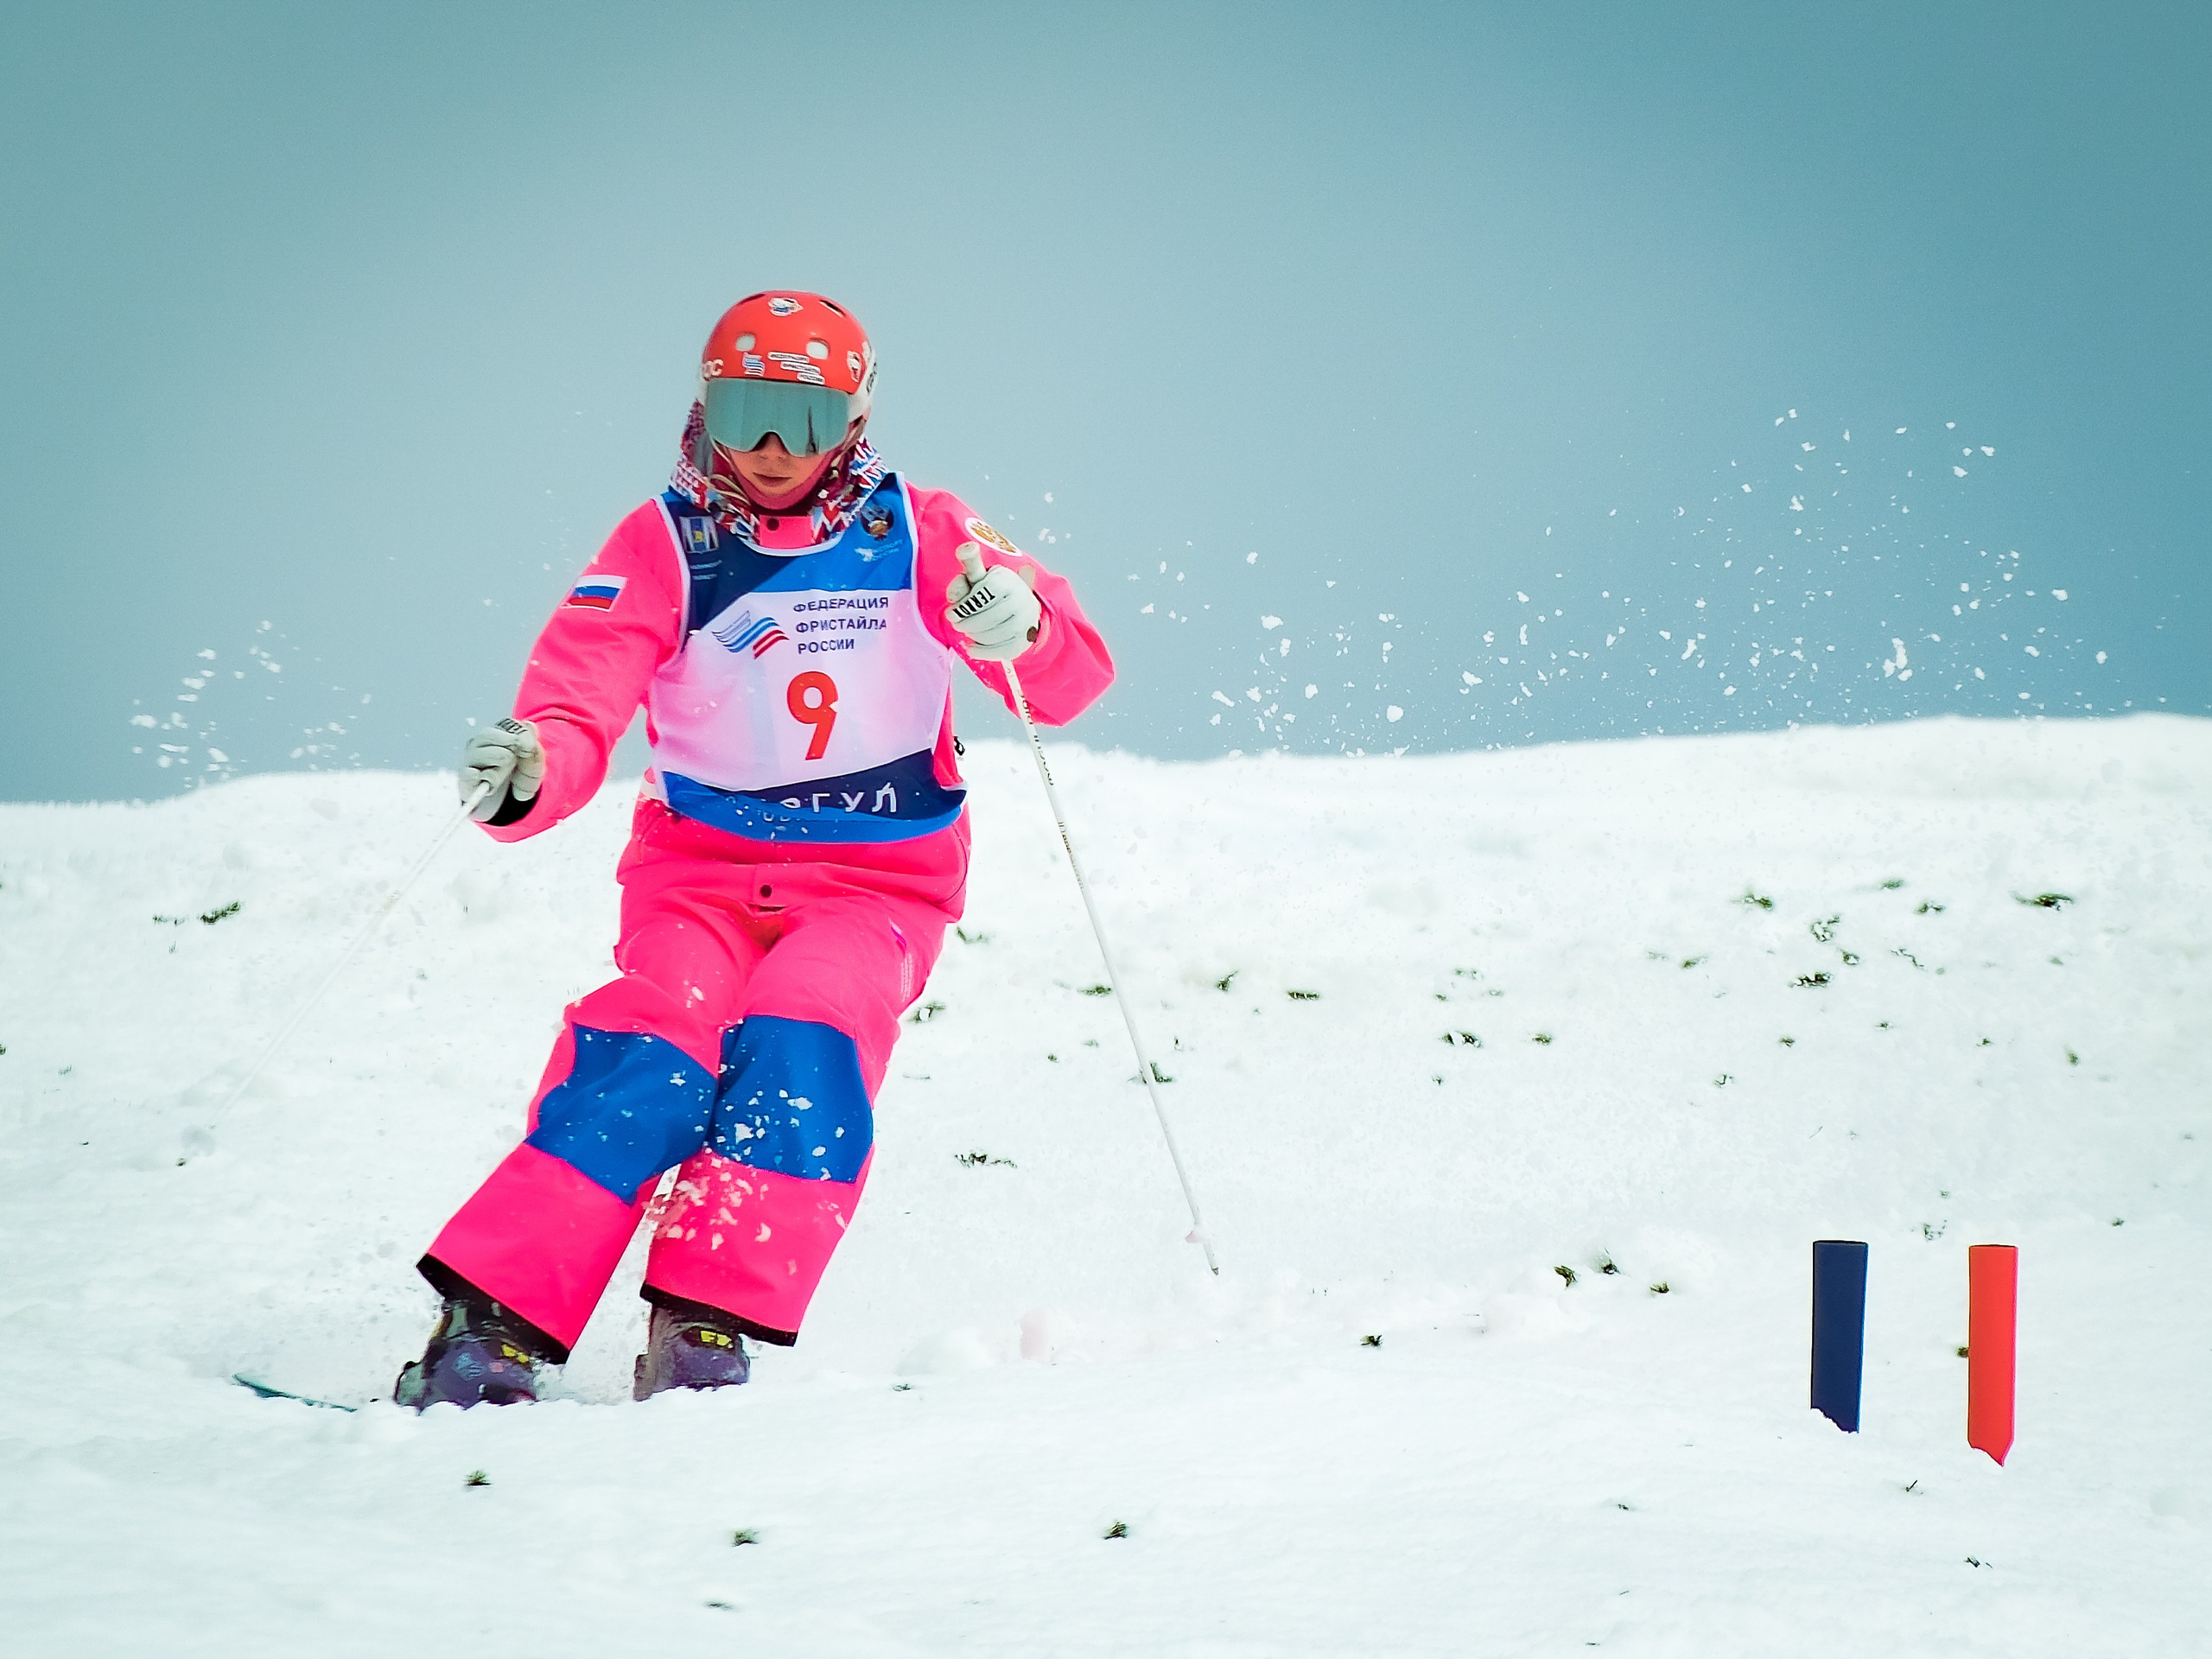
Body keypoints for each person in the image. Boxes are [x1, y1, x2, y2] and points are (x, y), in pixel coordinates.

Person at [394, 291, 1113, 1408]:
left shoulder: (923, 530)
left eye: (806, 421)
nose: (772, 449)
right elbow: (584, 689)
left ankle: (707, 1317)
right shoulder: (668, 542)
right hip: (702, 879)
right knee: (655, 1039)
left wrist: (1026, 627)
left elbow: (1068, 676)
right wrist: (538, 764)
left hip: (874, 888)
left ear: (856, 416)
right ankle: (494, 1319)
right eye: (742, 411)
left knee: (806, 1039)